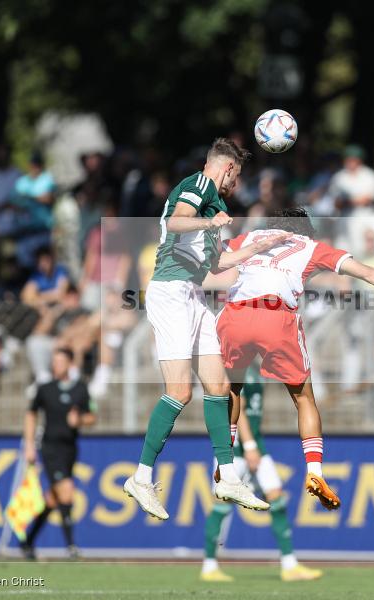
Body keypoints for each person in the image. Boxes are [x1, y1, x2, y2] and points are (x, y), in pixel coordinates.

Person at [218, 207, 374, 510]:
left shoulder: (252, 236)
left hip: (236, 314)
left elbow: (213, 258)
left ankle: (224, 466)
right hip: (276, 317)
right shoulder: (313, 247)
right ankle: (314, 472)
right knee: (304, 399)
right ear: (306, 230)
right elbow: (368, 272)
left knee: (231, 389)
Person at [123, 138, 289, 520]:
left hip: (194, 294)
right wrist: (209, 221)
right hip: (170, 291)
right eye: (238, 175)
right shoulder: (199, 186)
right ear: (228, 168)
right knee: (179, 392)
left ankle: (228, 476)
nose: (236, 183)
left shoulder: (217, 205)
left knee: (220, 387)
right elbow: (176, 221)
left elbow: (218, 264)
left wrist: (262, 248)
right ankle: (141, 477)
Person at [201, 367, 323, 583]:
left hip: (256, 444)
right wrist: (248, 445)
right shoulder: (236, 367)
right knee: (222, 504)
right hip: (237, 448)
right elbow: (240, 407)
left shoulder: (255, 369)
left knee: (276, 498)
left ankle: (289, 565)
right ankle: (209, 565)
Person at [21, 348, 96, 560]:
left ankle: (28, 541)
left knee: (53, 499)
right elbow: (31, 414)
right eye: (55, 361)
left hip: (70, 448)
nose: (57, 365)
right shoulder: (45, 389)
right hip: (50, 448)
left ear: (70, 364)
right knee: (66, 491)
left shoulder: (80, 389)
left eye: (61, 361)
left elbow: (91, 416)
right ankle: (71, 546)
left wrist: (79, 420)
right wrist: (29, 445)